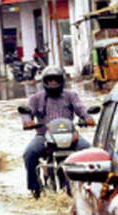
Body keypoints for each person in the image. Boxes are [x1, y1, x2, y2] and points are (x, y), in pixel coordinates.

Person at [20, 66, 95, 198]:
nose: (53, 83)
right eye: (50, 80)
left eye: (56, 80)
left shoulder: (71, 95)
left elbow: (81, 109)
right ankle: (35, 189)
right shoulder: (35, 98)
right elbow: (27, 112)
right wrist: (28, 122)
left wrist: (88, 118)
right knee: (29, 153)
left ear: (61, 81)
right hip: (44, 136)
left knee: (89, 151)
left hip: (70, 135)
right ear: (45, 82)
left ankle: (92, 186)